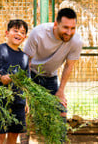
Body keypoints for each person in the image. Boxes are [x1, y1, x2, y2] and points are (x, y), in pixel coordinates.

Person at [21, 7, 83, 142]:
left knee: (61, 108)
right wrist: (24, 90)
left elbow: (69, 66)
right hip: (31, 75)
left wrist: (61, 91)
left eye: (73, 28)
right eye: (65, 27)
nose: (69, 32)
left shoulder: (76, 41)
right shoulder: (38, 33)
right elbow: (26, 62)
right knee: (23, 110)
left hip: (51, 76)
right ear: (56, 24)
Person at [0, 19, 29, 144]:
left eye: (22, 32)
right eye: (15, 30)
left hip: (18, 101)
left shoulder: (24, 57)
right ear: (7, 33)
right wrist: (0, 78)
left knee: (14, 134)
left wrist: (26, 101)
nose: (18, 34)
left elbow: (25, 82)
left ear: (25, 37)